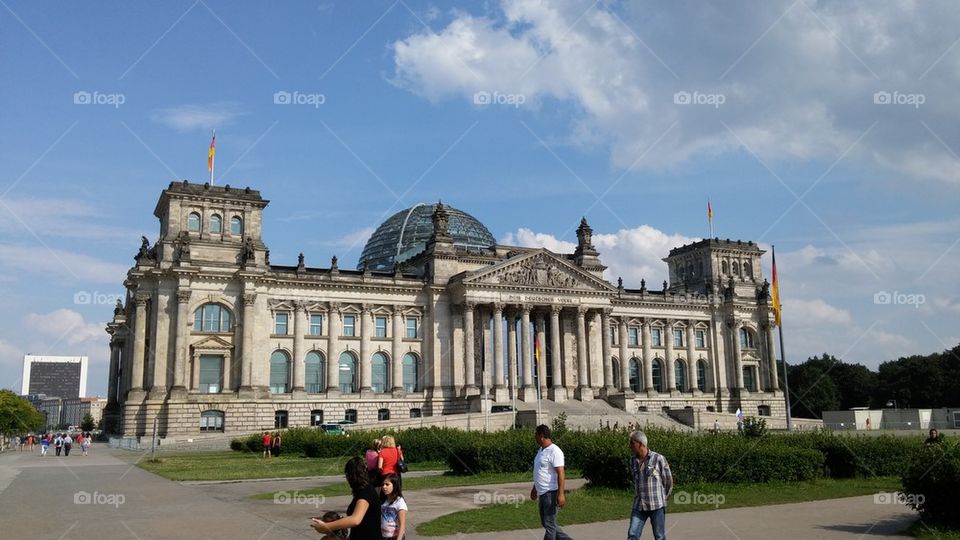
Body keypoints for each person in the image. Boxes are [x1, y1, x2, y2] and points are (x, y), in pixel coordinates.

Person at [311, 456, 382, 539]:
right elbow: (361, 525)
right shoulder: (362, 492)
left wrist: (326, 526)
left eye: (347, 476)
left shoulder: (366, 492)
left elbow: (355, 520)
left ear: (351, 476)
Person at [627, 430, 673, 540]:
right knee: (632, 534)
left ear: (640, 444)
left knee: (659, 536)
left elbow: (668, 481)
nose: (630, 446)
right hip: (639, 505)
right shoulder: (632, 460)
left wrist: (662, 498)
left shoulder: (658, 458)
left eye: (632, 443)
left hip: (656, 505)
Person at [529, 424, 573, 540]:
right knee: (547, 523)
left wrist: (561, 494)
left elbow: (561, 473)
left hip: (551, 492)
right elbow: (540, 472)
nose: (535, 437)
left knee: (549, 526)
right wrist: (534, 488)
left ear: (541, 436)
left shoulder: (555, 451)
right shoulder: (541, 450)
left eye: (536, 435)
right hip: (542, 492)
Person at [380, 473, 408, 540]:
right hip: (383, 536)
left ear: (394, 486)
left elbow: (402, 525)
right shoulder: (383, 501)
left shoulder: (399, 502)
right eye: (383, 484)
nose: (384, 487)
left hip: (395, 537)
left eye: (387, 484)